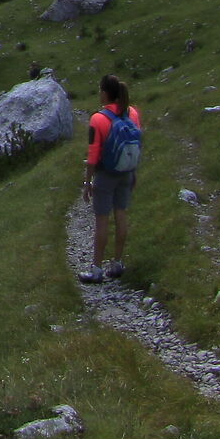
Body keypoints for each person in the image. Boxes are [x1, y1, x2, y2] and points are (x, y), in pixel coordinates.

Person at [80, 74, 143, 283]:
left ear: (105, 93)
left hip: (106, 175)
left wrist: (88, 182)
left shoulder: (98, 119)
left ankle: (96, 269)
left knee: (102, 220)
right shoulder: (132, 113)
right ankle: (117, 262)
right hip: (127, 172)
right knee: (121, 214)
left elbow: (92, 156)